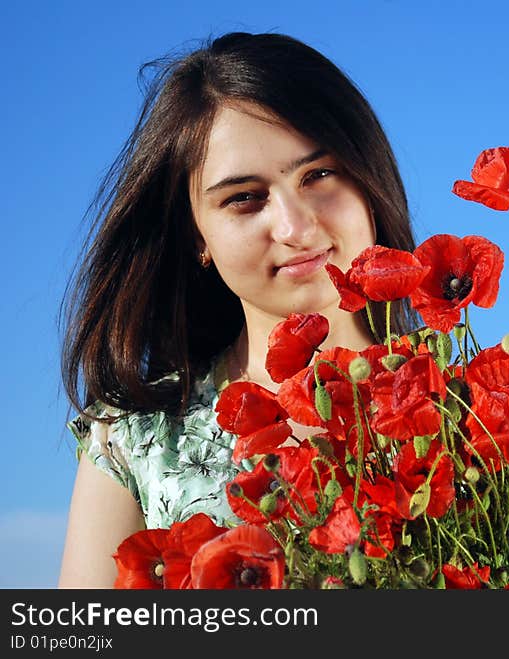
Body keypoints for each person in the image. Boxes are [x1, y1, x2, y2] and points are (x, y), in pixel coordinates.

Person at [57, 32, 419, 588]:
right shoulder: (135, 437)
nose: (296, 228)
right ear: (195, 233)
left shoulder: (481, 411)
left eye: (319, 174)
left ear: (367, 177)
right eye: (245, 198)